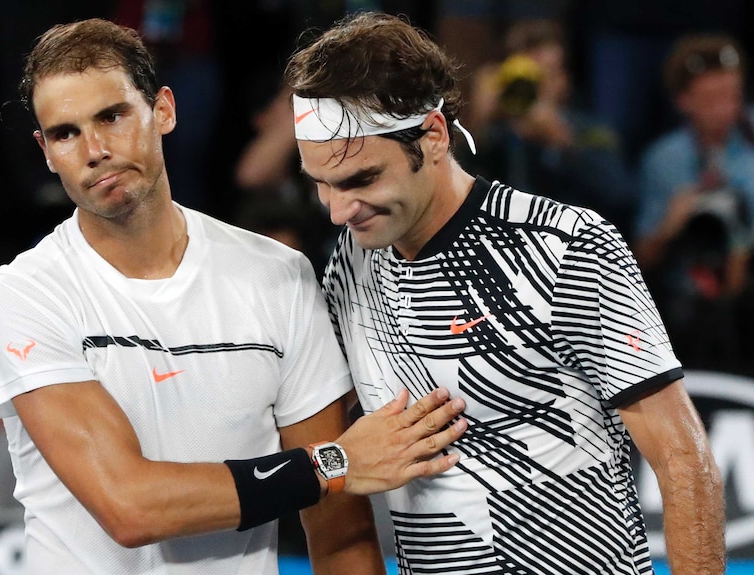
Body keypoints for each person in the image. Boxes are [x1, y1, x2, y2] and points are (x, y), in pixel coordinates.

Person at [0, 18, 468, 574]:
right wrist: (336, 462)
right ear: (45, 150)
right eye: (65, 133)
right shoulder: (24, 295)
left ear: (163, 109)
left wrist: (335, 470)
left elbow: (338, 534)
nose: (94, 150)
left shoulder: (277, 276)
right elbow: (130, 507)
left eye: (112, 117)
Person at [284, 11, 725, 574]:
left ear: (433, 136)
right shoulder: (351, 260)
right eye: (319, 183)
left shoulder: (567, 247)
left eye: (362, 178)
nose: (338, 210)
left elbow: (684, 459)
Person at [633, 33, 754, 372]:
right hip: (685, 306)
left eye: (733, 95)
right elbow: (640, 259)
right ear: (684, 101)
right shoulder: (663, 159)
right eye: (712, 98)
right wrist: (669, 225)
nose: (726, 108)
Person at [467, 19, 637, 239]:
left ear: (563, 82)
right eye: (527, 77)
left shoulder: (591, 131)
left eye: (546, 73)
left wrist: (565, 145)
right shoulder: (494, 136)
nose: (536, 88)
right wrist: (478, 124)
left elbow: (620, 196)